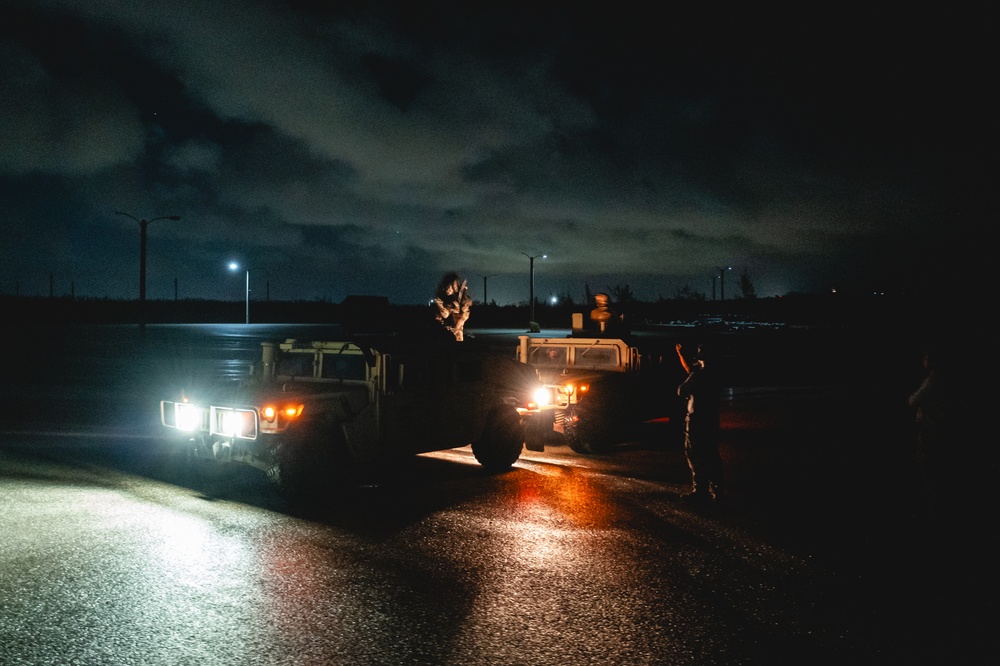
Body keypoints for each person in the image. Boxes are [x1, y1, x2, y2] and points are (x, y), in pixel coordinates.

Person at [676, 342, 723, 503]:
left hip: (696, 422)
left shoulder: (699, 376)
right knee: (711, 454)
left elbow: (681, 390)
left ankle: (700, 490)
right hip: (710, 420)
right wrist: (681, 355)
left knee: (696, 455)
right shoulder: (714, 374)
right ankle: (716, 490)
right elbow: (690, 369)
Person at [907, 346, 949, 521]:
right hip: (937, 429)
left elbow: (913, 400)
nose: (923, 362)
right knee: (933, 467)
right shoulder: (941, 381)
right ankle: (936, 506)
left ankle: (933, 508)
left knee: (927, 467)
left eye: (926, 359)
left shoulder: (931, 382)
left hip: (929, 431)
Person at [433, 272, 472, 341]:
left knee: (458, 338)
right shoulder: (442, 298)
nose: (448, 290)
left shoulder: (463, 300)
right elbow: (442, 315)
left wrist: (456, 329)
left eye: (450, 287)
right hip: (445, 329)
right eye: (446, 287)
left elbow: (464, 316)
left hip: (457, 327)